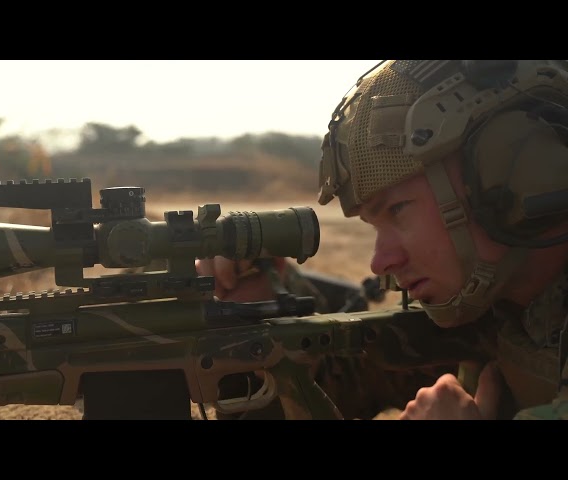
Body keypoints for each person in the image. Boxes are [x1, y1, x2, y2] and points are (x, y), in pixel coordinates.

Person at [196, 60, 568, 420]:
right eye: (375, 225)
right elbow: (345, 386)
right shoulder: (505, 312)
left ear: (512, 173)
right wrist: (268, 310)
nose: (380, 261)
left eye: (398, 209)